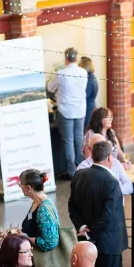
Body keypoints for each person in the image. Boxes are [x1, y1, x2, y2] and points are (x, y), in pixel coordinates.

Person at [68, 140, 128, 267]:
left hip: (85, 242)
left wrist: (83, 228)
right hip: (108, 244)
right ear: (109, 157)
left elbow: (72, 205)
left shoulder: (79, 175)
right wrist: (92, 233)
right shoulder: (112, 182)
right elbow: (108, 215)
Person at [46, 47, 89, 178]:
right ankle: (80, 166)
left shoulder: (61, 74)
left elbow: (50, 87)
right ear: (76, 58)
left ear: (66, 58)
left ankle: (72, 171)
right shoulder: (83, 72)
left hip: (66, 111)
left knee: (69, 141)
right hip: (80, 110)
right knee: (78, 139)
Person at [78, 132, 134, 196]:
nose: (102, 150)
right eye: (97, 148)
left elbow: (129, 186)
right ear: (89, 149)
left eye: (104, 146)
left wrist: (114, 192)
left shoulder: (115, 163)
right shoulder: (83, 167)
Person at [81, 55, 99, 127]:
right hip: (90, 106)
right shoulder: (91, 77)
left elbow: (85, 95)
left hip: (88, 109)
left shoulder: (89, 80)